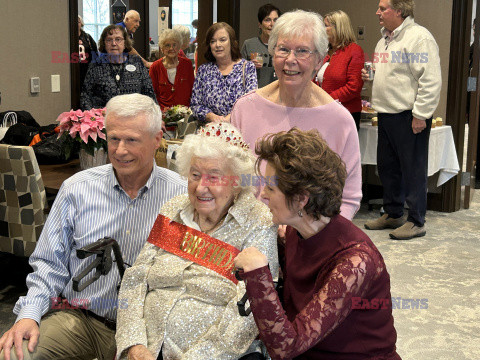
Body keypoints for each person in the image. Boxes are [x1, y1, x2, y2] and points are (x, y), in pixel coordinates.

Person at [0, 94, 187, 360]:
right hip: (81, 320)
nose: (120, 150)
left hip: (150, 332)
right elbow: (49, 264)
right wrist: (29, 315)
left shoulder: (182, 197)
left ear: (157, 140)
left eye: (132, 140)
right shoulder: (77, 188)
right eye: (113, 139)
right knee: (16, 354)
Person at [115, 122, 279, 360]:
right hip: (147, 348)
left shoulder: (258, 221)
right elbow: (135, 279)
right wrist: (134, 345)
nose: (201, 187)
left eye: (214, 177)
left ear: (236, 181)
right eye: (194, 175)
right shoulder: (173, 209)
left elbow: (252, 308)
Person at [234, 128, 401, 360]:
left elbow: (286, 348)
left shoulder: (356, 262)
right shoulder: (295, 232)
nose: (263, 194)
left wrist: (257, 276)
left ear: (302, 199)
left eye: (271, 188)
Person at [231, 9, 362, 220]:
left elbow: (348, 199)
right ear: (273, 54)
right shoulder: (245, 108)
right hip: (250, 232)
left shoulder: (339, 120)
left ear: (319, 61)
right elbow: (233, 181)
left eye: (302, 51)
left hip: (312, 240)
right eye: (283, 49)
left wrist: (313, 233)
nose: (290, 60)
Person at [362, 0, 441, 239]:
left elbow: (431, 79)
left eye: (383, 8)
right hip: (385, 114)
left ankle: (417, 221)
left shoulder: (419, 38)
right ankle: (394, 213)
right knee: (388, 168)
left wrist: (421, 114)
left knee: (413, 169)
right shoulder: (383, 40)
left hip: (409, 116)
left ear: (400, 10)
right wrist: (372, 75)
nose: (378, 12)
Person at [190, 22, 257, 123]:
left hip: (239, 131)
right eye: (213, 41)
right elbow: (195, 105)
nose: (217, 45)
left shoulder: (247, 68)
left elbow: (251, 102)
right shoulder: (204, 71)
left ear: (232, 42)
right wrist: (210, 116)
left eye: (222, 40)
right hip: (210, 132)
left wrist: (228, 119)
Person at [80, 25, 156, 110]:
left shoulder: (136, 62)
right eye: (109, 40)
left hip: (134, 118)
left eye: (118, 39)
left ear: (125, 43)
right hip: (104, 119)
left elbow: (149, 94)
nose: (113, 43)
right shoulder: (96, 65)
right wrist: (93, 118)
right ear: (104, 44)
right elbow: (85, 96)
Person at [317, 10, 364, 130]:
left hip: (345, 113)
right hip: (323, 110)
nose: (322, 29)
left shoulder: (354, 51)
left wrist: (327, 99)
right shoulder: (325, 52)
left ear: (338, 28)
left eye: (326, 26)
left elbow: (353, 87)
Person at [149, 29, 195, 111]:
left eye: (174, 45)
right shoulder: (155, 67)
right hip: (163, 115)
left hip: (185, 114)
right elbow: (152, 94)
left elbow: (193, 90)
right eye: (167, 45)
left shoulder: (187, 64)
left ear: (179, 47)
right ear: (162, 49)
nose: (171, 48)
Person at [241, 4, 281, 88]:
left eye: (275, 20)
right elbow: (237, 72)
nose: (272, 24)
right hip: (256, 94)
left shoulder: (284, 46)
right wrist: (249, 66)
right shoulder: (249, 44)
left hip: (278, 94)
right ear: (259, 24)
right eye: (267, 20)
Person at [78, 15, 98, 90]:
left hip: (86, 70)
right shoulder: (68, 37)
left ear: (81, 23)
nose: (77, 23)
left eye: (78, 21)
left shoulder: (87, 37)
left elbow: (95, 52)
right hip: (74, 70)